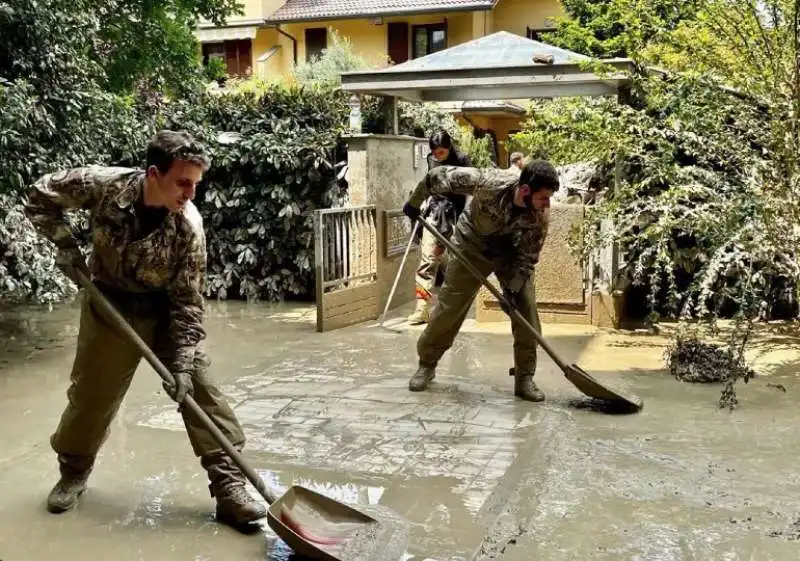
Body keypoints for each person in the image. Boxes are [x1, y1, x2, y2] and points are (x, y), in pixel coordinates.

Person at [24, 130, 266, 531]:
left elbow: (188, 300)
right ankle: (74, 472)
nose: (190, 193)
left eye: (196, 184)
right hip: (109, 302)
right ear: (154, 174)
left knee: (201, 391)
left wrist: (183, 364)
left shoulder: (189, 226)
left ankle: (229, 488)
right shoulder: (102, 186)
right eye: (182, 182)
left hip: (165, 310)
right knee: (91, 395)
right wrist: (66, 247)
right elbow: (40, 196)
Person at [402, 160, 559, 402]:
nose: (546, 204)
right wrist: (414, 203)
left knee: (526, 310)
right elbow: (437, 176)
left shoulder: (540, 217)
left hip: (511, 252)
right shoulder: (490, 183)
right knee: (450, 307)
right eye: (543, 197)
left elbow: (528, 260)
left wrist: (513, 293)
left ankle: (524, 377)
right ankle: (427, 364)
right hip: (471, 244)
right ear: (525, 190)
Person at [408, 130, 472, 325]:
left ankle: (451, 309)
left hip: (455, 217)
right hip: (434, 214)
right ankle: (422, 309)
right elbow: (427, 184)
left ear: (449, 147)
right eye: (435, 152)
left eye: (441, 152)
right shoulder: (430, 159)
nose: (437, 155)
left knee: (454, 265)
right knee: (427, 261)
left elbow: (471, 189)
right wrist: (416, 204)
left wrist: (467, 217)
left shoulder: (462, 159)